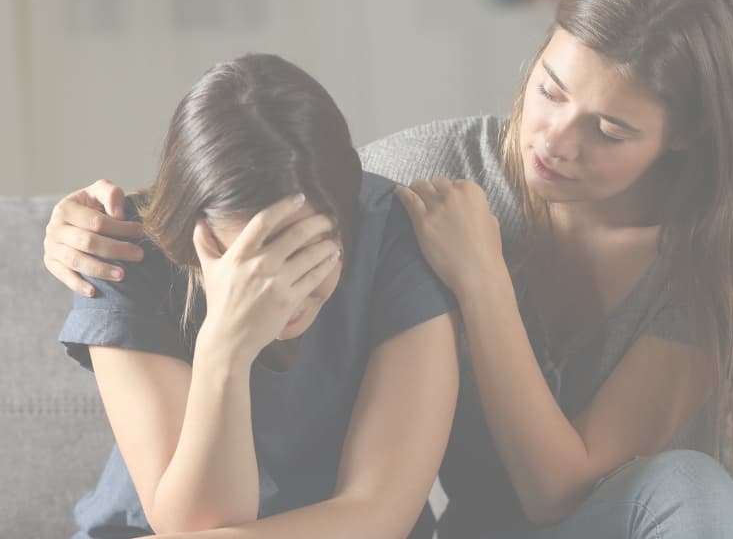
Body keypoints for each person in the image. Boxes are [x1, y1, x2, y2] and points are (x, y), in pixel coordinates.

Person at [43, 0, 733, 539]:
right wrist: (82, 222)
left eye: (609, 130)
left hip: (602, 520)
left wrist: (480, 280)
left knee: (693, 483)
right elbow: (272, 172)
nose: (554, 141)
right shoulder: (422, 176)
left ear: (686, 138)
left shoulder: (721, 268)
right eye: (548, 88)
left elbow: (557, 491)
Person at [50, 53, 460, 538]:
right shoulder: (121, 253)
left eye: (307, 253)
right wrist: (226, 346)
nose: (282, 292)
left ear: (346, 217)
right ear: (194, 232)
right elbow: (195, 523)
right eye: (248, 260)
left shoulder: (394, 233)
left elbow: (379, 513)